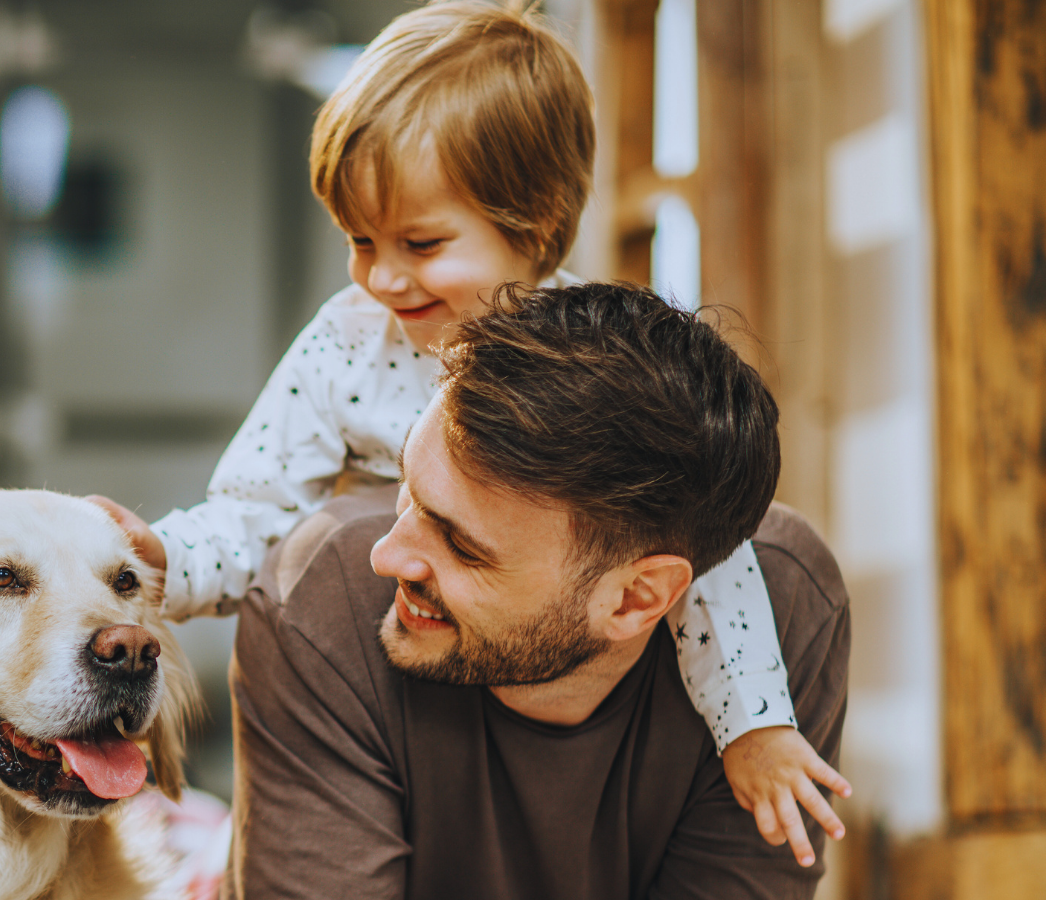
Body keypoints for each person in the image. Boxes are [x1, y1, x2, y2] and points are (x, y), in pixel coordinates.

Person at [86, 0, 848, 862]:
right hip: (406, 697)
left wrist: (754, 725)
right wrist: (162, 562)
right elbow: (254, 505)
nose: (381, 276)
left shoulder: (595, 370)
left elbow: (706, 558)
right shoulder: (348, 342)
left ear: (533, 222)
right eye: (358, 239)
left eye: (420, 242)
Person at [226, 281, 851, 898]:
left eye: (464, 547)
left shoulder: (782, 613)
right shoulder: (318, 600)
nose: (387, 556)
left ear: (636, 598)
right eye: (407, 490)